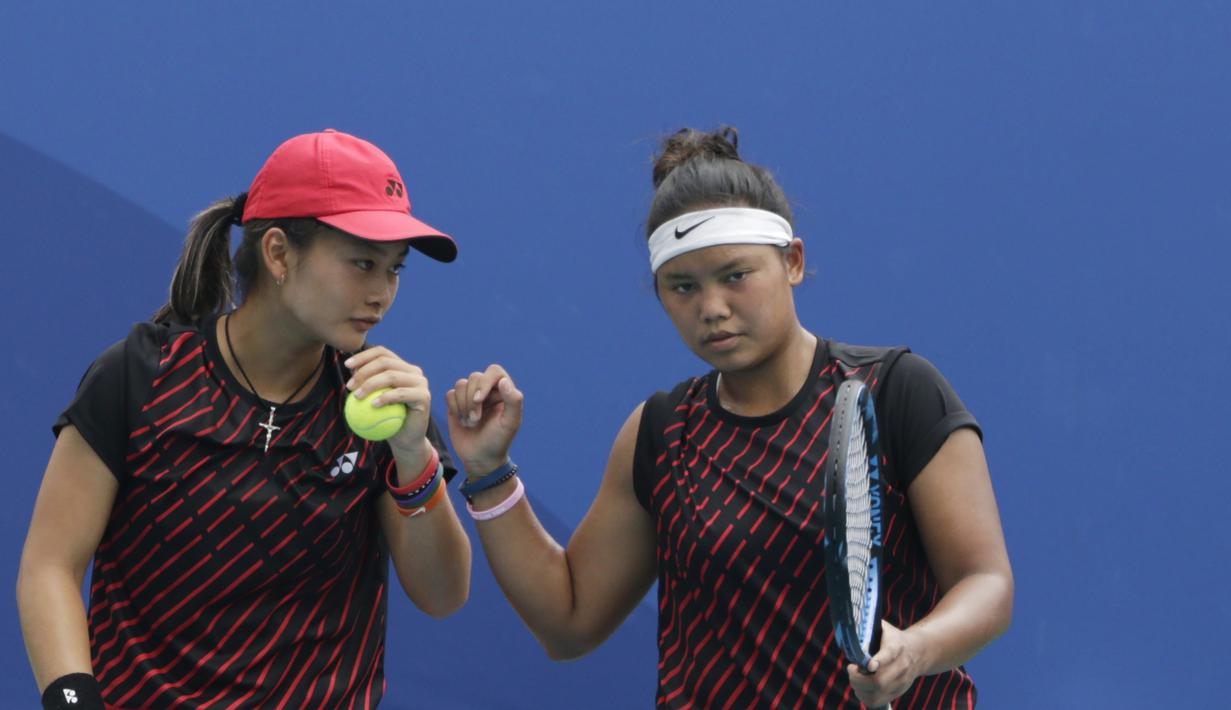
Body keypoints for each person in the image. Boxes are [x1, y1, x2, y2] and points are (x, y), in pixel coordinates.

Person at [445, 127, 1013, 708]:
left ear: (792, 261)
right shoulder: (660, 434)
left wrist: (915, 650)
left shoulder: (896, 391)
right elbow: (568, 622)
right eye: (682, 286)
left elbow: (986, 583)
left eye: (735, 276)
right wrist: (489, 471)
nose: (711, 308)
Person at [17, 129, 471, 709]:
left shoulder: (385, 405)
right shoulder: (138, 376)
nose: (382, 293)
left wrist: (415, 457)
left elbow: (441, 595)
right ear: (279, 253)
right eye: (363, 263)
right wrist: (74, 701)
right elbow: (50, 566)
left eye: (396, 270)